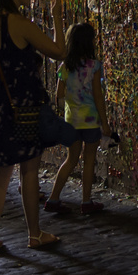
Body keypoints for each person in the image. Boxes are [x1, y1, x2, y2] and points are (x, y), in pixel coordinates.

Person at [0, 0, 68, 254]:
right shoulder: (21, 24)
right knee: (30, 170)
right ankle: (34, 233)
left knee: (1, 172)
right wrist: (56, 16)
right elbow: (59, 52)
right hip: (24, 106)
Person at [44, 21, 109, 214]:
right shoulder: (94, 66)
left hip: (71, 121)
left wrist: (68, 110)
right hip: (90, 121)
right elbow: (98, 96)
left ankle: (53, 198)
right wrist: (104, 123)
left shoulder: (65, 67)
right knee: (89, 160)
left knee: (71, 160)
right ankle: (86, 201)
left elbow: (58, 95)